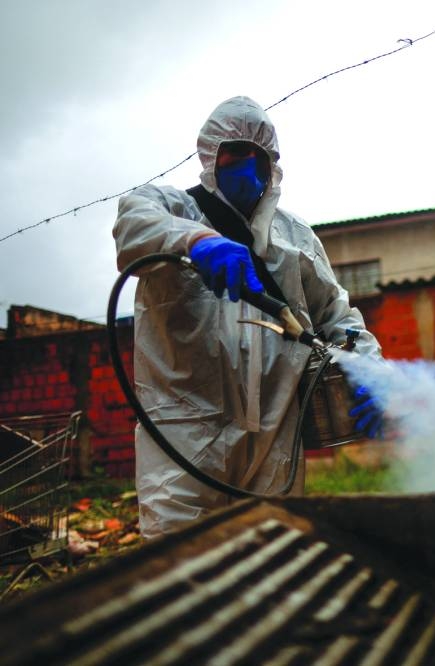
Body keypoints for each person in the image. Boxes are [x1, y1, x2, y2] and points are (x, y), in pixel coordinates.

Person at [113, 96, 384, 538]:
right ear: (210, 155)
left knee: (273, 559)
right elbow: (134, 223)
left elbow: (337, 315)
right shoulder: (173, 208)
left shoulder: (295, 236)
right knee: (181, 566)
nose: (248, 164)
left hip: (275, 435)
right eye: (235, 152)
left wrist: (372, 372)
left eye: (259, 154)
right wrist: (196, 241)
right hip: (185, 437)